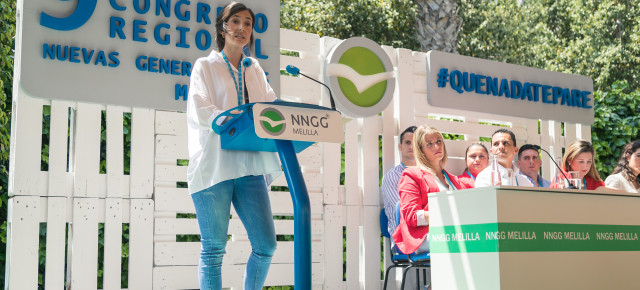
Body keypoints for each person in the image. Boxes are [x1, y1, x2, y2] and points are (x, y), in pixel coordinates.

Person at [186, 3, 281, 289]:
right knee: (213, 251)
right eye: (235, 21)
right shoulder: (205, 66)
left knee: (266, 246)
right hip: (214, 166)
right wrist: (234, 119)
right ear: (222, 27)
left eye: (248, 23)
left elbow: (271, 108)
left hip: (250, 167)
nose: (242, 28)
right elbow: (201, 108)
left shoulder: (255, 68)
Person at [392, 125, 470, 256]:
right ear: (421, 150)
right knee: (469, 241)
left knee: (483, 237)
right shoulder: (411, 175)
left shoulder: (453, 180)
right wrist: (445, 215)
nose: (436, 146)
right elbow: (412, 216)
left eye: (439, 141)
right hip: (424, 236)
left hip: (453, 232)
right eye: (429, 144)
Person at [381, 126, 417, 236]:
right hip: (403, 237)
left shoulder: (428, 174)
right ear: (400, 147)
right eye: (407, 142)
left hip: (428, 234)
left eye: (415, 143)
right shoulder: (392, 176)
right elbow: (405, 211)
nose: (411, 146)